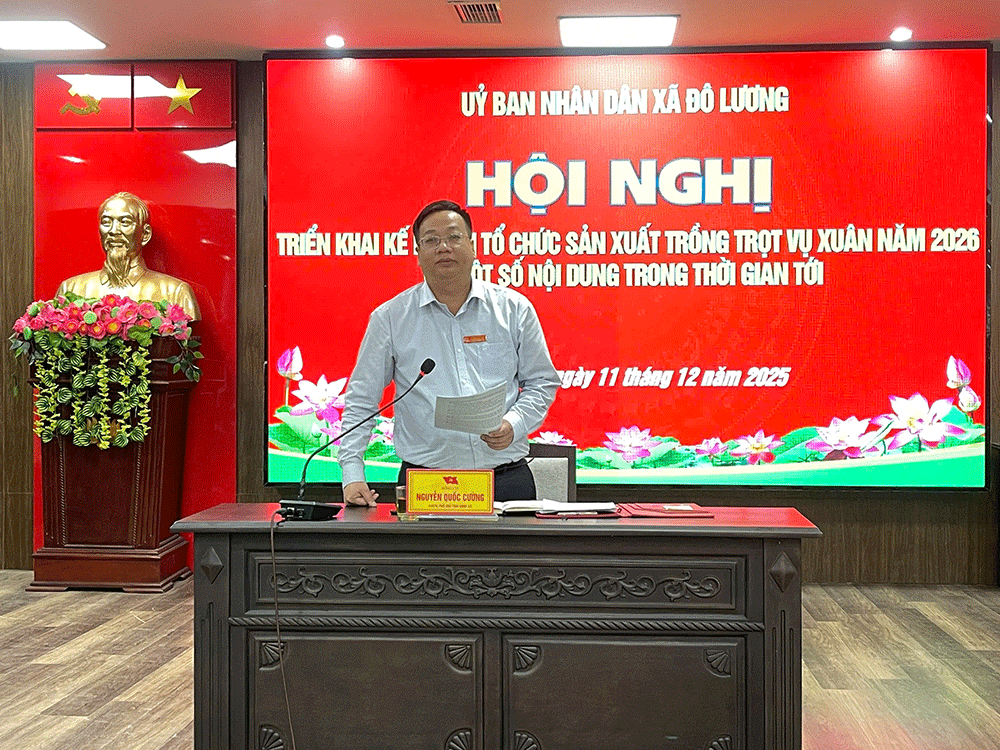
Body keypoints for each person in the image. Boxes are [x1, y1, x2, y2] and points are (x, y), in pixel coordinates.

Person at [338, 199, 560, 506]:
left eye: (454, 237)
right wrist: (352, 473)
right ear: (417, 254)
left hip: (506, 480)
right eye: (431, 240)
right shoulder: (390, 318)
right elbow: (362, 398)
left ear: (473, 246)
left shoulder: (513, 309)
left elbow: (542, 382)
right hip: (426, 483)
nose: (444, 247)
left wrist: (515, 423)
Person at [56, 192, 200, 320]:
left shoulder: (175, 293)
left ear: (145, 234)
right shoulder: (71, 289)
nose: (113, 231)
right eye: (106, 222)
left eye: (125, 222)